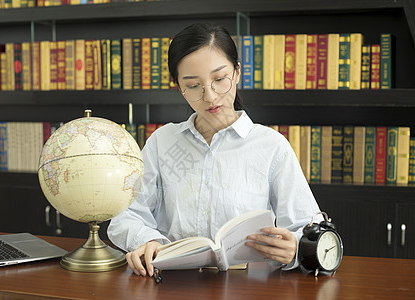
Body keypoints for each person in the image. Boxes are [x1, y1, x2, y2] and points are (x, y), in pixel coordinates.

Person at [108, 23, 321, 277]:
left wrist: (295, 249)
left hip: (246, 285)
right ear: (179, 87)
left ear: (237, 72)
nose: (209, 96)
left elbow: (310, 227)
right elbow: (126, 215)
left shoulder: (271, 146)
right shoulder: (162, 142)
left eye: (219, 79)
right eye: (193, 85)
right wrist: (148, 242)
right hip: (172, 282)